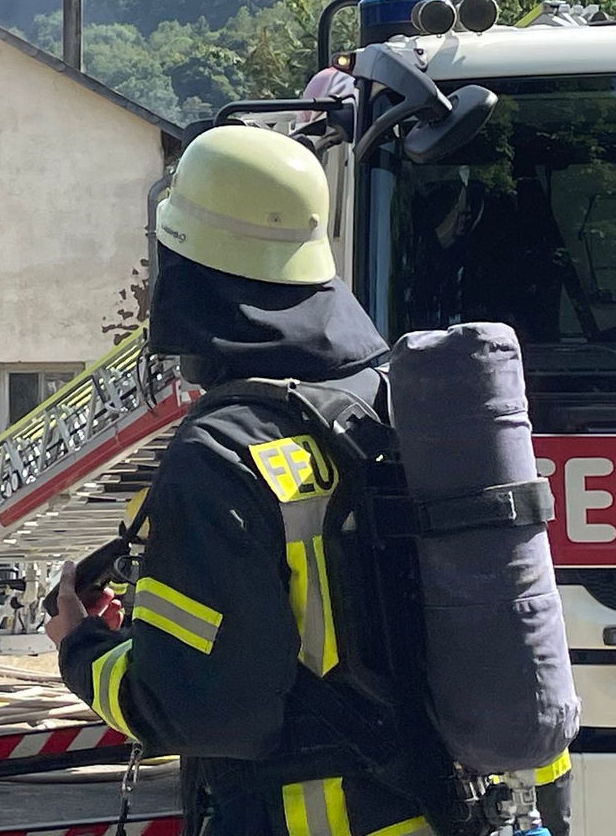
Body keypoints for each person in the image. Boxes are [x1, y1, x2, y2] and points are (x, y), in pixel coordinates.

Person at [46, 124, 570, 836]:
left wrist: (83, 650)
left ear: (182, 264)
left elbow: (206, 708)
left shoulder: (224, 451)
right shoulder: (399, 404)